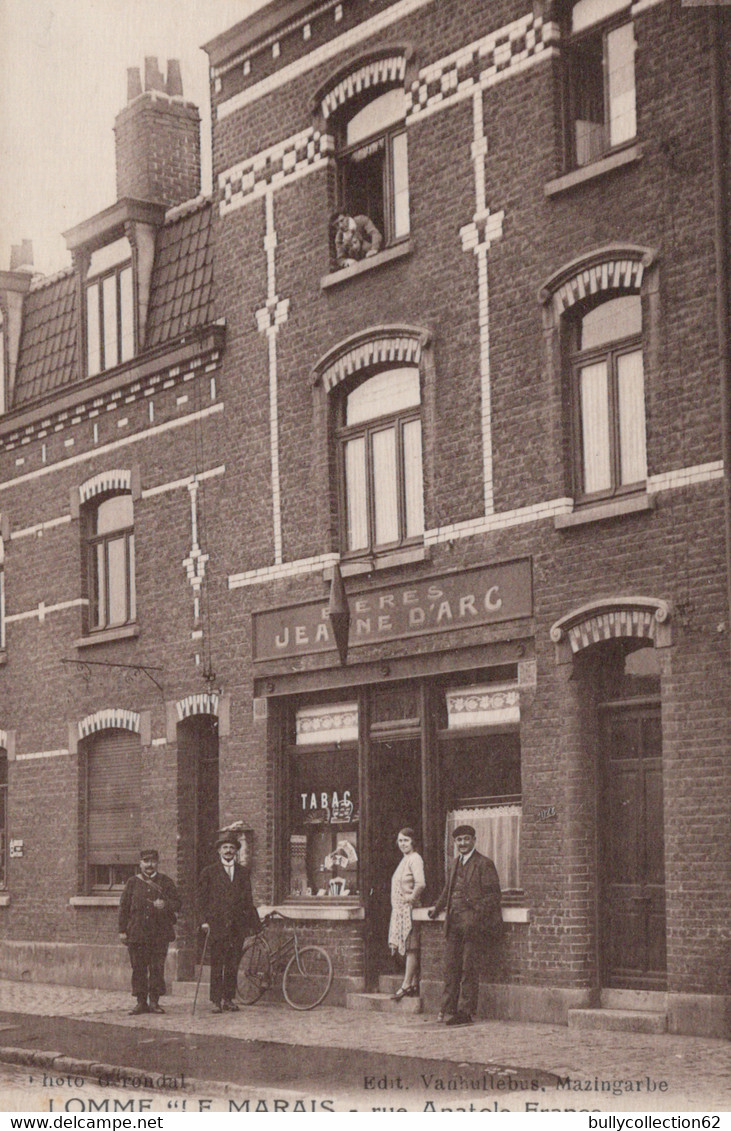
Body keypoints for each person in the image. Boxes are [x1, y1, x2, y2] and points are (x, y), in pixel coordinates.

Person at [428, 824, 502, 1026]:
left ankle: (465, 1012)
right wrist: (437, 908)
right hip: (453, 923)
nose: (463, 843)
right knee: (451, 966)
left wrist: (475, 913)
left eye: (466, 839)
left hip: (473, 925)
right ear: (455, 843)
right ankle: (447, 1008)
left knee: (469, 968)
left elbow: (493, 896)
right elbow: (448, 890)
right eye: (459, 840)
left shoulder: (484, 864)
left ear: (474, 840)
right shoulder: (454, 864)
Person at [198, 831, 261, 1013]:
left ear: (236, 852)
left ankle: (228, 998)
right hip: (216, 925)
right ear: (219, 851)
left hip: (237, 925)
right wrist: (203, 921)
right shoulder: (208, 872)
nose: (228, 851)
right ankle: (216, 1000)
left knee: (233, 963)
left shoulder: (243, 873)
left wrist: (254, 924)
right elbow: (200, 900)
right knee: (218, 963)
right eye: (225, 847)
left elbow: (248, 899)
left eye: (232, 848)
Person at [118, 848, 181, 1015]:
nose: (149, 865)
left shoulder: (166, 882)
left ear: (157, 863)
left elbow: (178, 904)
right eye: (146, 861)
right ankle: (140, 1002)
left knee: (156, 968)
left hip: (159, 934)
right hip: (137, 934)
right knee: (138, 968)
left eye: (153, 861)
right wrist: (122, 931)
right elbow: (123, 908)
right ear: (140, 864)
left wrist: (165, 905)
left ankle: (154, 1002)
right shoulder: (132, 882)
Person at [388, 828, 426, 1001]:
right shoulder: (405, 859)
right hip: (400, 911)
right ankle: (413, 982)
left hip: (410, 910)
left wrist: (410, 898)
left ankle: (405, 984)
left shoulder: (415, 859)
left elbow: (421, 883)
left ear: (413, 842)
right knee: (406, 945)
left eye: (406, 840)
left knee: (411, 947)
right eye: (400, 841)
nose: (402, 844)